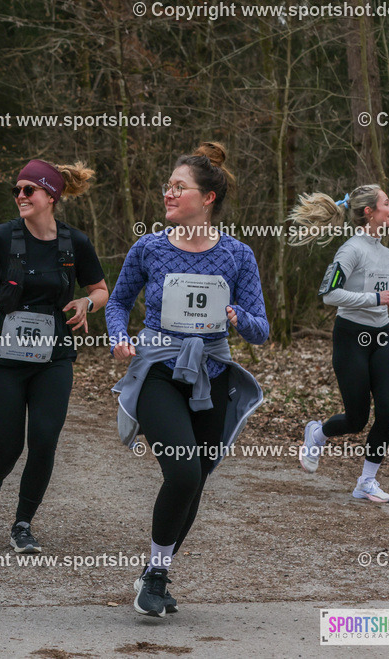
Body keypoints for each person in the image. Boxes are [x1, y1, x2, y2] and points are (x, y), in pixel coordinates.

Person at [105, 142, 269, 617]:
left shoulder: (238, 255)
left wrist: (240, 318)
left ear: (208, 198)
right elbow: (118, 303)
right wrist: (120, 337)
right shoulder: (149, 247)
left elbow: (261, 330)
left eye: (180, 187)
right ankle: (155, 578)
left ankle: (154, 572)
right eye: (168, 186)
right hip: (158, 368)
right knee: (182, 469)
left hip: (212, 373)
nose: (169, 193)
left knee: (195, 480)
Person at [0, 159, 108, 554]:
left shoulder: (74, 242)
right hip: (4, 359)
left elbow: (100, 289)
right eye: (16, 190)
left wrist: (86, 302)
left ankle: (23, 524)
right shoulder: (0, 237)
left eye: (28, 190)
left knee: (44, 440)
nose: (20, 197)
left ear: (51, 195)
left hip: (54, 358)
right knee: (8, 445)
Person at [290, 185, 389, 500]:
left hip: (382, 338)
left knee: (387, 409)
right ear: (369, 212)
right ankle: (317, 434)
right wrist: (373, 298)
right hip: (351, 337)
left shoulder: (387, 254)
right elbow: (329, 295)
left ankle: (366, 482)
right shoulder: (351, 250)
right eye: (387, 203)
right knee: (357, 419)